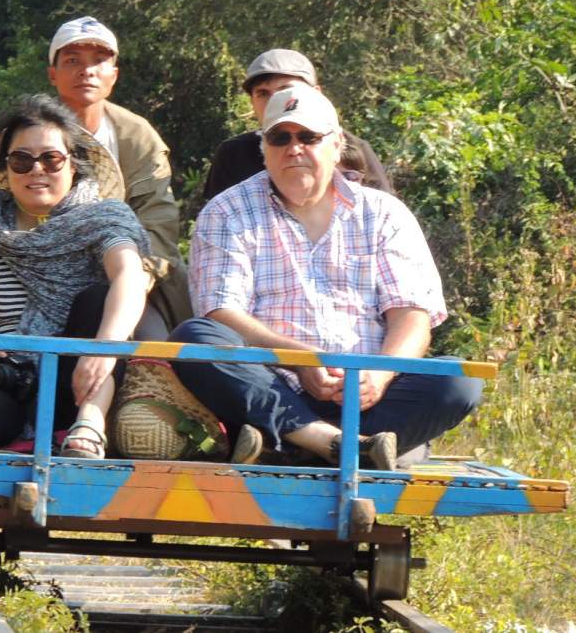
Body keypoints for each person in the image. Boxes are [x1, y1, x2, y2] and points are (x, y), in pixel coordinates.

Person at [169, 85, 482, 469]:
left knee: (458, 380)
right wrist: (298, 358)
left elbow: (412, 317)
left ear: (336, 146)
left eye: (309, 137)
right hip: (273, 387)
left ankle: (296, 444)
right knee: (194, 339)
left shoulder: (384, 213)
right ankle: (339, 445)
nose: (294, 148)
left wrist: (379, 375)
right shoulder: (226, 212)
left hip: (369, 393)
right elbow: (221, 312)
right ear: (263, 149)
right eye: (280, 137)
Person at [0, 95, 152, 458]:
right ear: (6, 170)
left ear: (73, 165)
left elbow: (130, 277)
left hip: (80, 376)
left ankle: (89, 426)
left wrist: (104, 350)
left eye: (51, 159)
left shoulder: (104, 222)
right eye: (22, 160)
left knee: (99, 298)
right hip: (5, 376)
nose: (37, 169)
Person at [0, 16, 189, 337]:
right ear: (52, 74)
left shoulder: (138, 138)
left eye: (99, 62)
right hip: (31, 264)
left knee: (152, 346)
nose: (86, 71)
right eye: (72, 61)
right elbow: (5, 202)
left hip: (126, 266)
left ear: (113, 76)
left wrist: (130, 275)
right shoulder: (29, 132)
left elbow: (158, 222)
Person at [200, 48, 393, 204]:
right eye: (262, 93)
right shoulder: (233, 154)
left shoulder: (354, 149)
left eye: (286, 89)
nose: (275, 100)